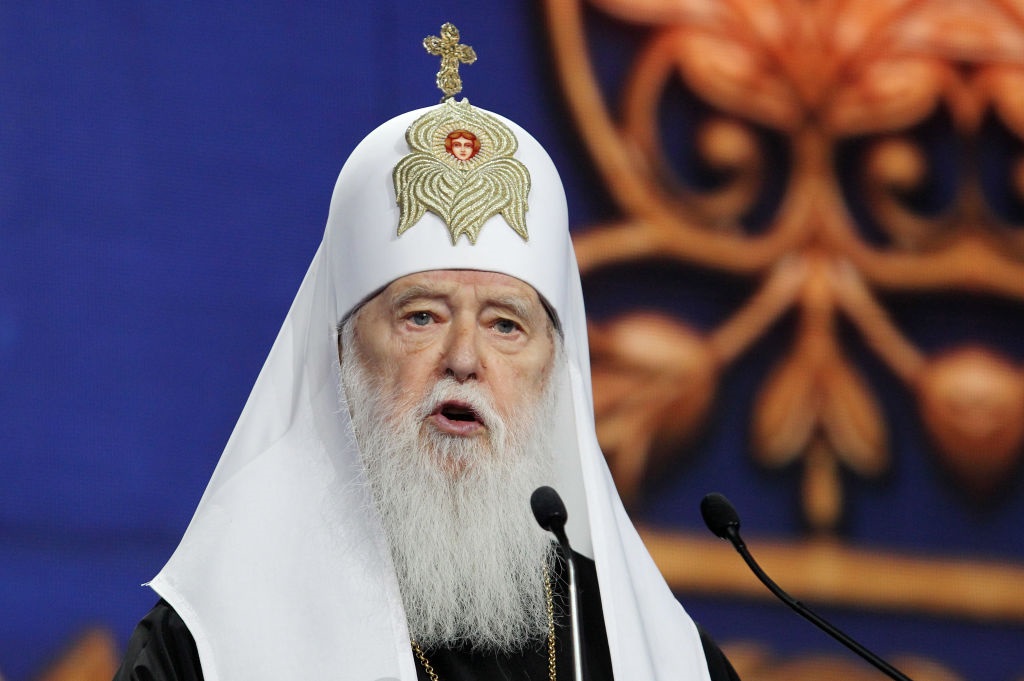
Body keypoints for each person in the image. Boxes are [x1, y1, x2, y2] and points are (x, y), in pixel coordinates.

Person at [115, 27, 740, 681]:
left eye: (506, 325)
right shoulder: (215, 644)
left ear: (555, 371)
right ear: (342, 354)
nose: (464, 358)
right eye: (422, 316)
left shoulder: (652, 653)